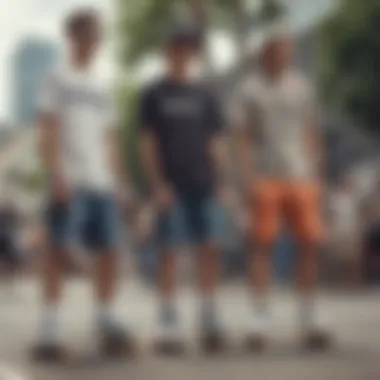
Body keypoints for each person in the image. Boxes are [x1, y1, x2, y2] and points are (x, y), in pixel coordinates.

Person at [33, 8, 134, 361]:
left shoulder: (101, 84)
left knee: (110, 250)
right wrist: (56, 172)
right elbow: (46, 128)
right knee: (58, 250)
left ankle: (105, 320)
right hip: (70, 179)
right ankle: (50, 330)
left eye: (99, 34)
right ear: (72, 36)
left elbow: (110, 138)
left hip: (101, 182)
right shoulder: (56, 77)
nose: (95, 40)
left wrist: (120, 182)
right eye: (89, 33)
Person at [232, 29, 331, 350]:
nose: (282, 54)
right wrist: (246, 179)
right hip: (266, 176)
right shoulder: (249, 89)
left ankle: (309, 316)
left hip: (301, 176)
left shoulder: (302, 87)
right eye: (275, 49)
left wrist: (317, 172)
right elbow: (242, 137)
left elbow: (311, 130)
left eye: (286, 49)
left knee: (308, 245)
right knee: (262, 246)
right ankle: (259, 318)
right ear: (264, 52)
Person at [139, 25, 228, 354]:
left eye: (188, 49)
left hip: (205, 184)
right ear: (167, 51)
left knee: (210, 249)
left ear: (193, 55)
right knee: (169, 253)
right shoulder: (154, 93)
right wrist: (156, 183)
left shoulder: (205, 95)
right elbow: (147, 143)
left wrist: (221, 183)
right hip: (170, 187)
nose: (182, 54)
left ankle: (209, 318)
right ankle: (167, 322)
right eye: (177, 47)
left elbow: (216, 141)